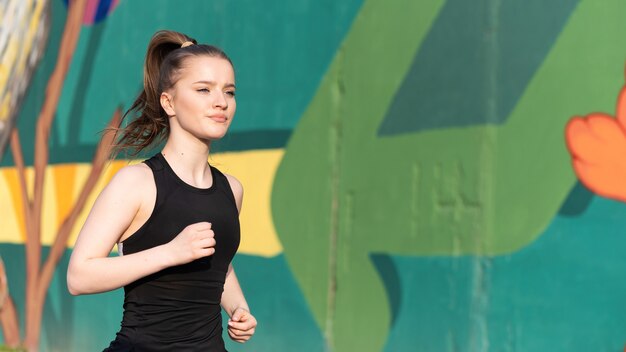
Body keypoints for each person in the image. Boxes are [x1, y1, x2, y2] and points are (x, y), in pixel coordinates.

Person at [67, 30, 257, 351]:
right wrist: (170, 253)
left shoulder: (232, 190)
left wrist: (238, 307)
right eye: (203, 89)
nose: (220, 102)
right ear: (168, 102)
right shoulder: (137, 183)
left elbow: (217, 265)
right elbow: (79, 276)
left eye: (229, 91)